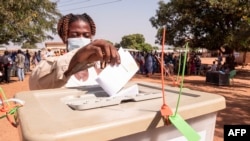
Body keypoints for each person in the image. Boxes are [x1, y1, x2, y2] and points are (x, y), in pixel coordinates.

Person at [29, 13, 120, 90]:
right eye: (74, 35)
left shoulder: (98, 74)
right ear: (65, 38)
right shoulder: (51, 68)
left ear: (91, 39)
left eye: (86, 35)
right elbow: (35, 82)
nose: (81, 38)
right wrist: (77, 56)